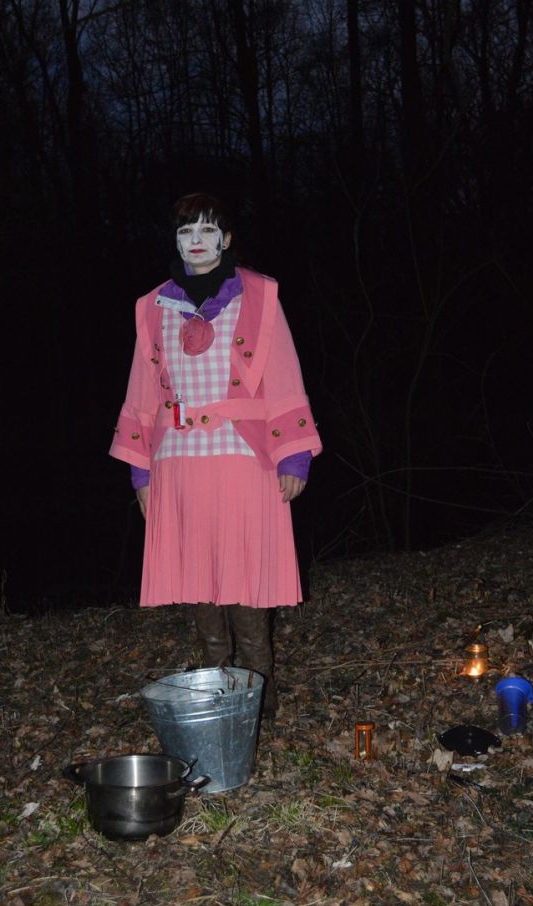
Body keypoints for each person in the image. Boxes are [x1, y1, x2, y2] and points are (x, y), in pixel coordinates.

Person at [110, 193, 321, 717]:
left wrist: (294, 457)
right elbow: (142, 392)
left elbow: (284, 375)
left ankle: (259, 698)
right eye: (186, 231)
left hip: (245, 458)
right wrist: (140, 472)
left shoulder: (260, 296)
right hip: (178, 462)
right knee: (198, 574)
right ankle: (218, 694)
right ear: (176, 241)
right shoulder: (153, 306)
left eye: (207, 229)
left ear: (226, 239)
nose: (196, 240)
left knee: (246, 575)